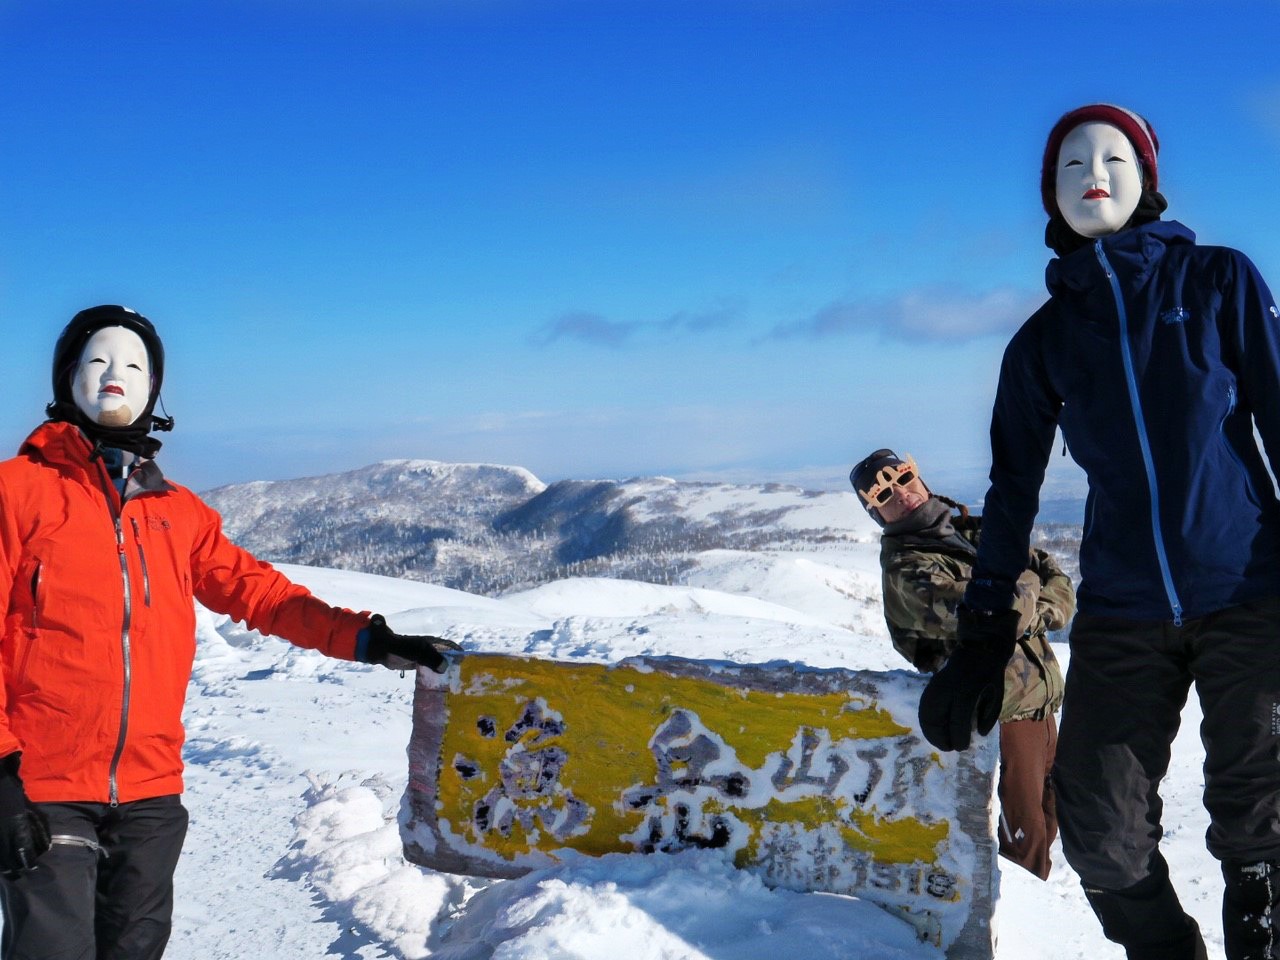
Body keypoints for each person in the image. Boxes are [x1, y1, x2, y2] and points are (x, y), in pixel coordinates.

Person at [917, 103, 1280, 959]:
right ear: (1049, 193)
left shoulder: (1218, 281)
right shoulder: (1043, 343)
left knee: (1261, 820)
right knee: (1099, 832)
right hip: (1125, 611)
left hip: (1250, 591)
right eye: (1072, 162)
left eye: (1115, 157)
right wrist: (981, 640)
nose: (1094, 174)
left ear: (1147, 178)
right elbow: (1013, 493)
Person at [0, 305, 462, 960]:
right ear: (66, 376)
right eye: (97, 360)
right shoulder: (17, 492)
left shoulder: (178, 514)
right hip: (45, 790)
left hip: (150, 795)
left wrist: (370, 640)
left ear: (153, 391)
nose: (114, 376)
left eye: (134, 365)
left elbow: (266, 597)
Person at [850, 448, 1071, 880]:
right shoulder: (907, 571)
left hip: (1040, 706)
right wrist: (1022, 589)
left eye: (903, 478)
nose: (901, 494)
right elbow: (997, 609)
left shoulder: (965, 531)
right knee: (1020, 847)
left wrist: (1027, 604)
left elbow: (1054, 577)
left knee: (1050, 822)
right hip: (997, 717)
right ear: (877, 514)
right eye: (884, 495)